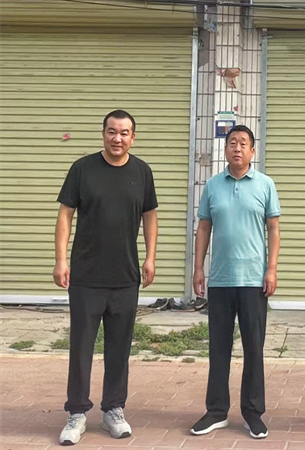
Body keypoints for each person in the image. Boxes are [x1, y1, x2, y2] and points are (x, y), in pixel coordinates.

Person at [53, 110, 158, 446]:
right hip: (86, 276)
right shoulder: (82, 169)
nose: (118, 138)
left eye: (124, 133)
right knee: (81, 348)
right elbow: (65, 215)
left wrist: (151, 257)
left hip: (126, 276)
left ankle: (114, 409)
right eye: (112, 131)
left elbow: (150, 216)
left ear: (133, 138)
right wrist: (60, 260)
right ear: (103, 133)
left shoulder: (142, 172)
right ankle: (77, 413)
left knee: (119, 348)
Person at [191, 125, 281, 439]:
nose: (237, 148)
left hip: (254, 280)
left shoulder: (265, 184)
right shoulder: (213, 185)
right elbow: (204, 228)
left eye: (244, 143)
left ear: (252, 151)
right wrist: (198, 268)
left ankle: (253, 413)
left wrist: (271, 270)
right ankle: (216, 411)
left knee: (253, 348)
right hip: (220, 279)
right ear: (226, 149)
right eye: (232, 143)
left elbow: (273, 229)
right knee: (219, 347)